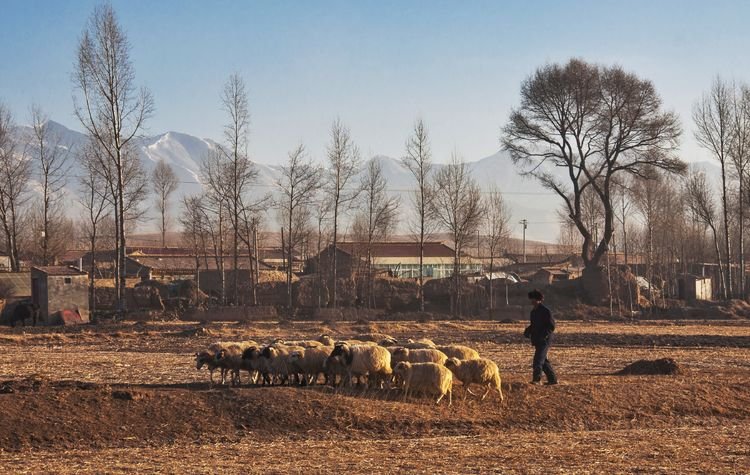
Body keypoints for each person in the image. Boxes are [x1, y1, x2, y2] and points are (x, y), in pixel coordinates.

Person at [524, 289, 558, 385]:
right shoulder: (533, 312)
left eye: (534, 299)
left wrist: (544, 336)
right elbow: (534, 325)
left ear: (539, 299)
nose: (532, 301)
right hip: (537, 339)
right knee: (543, 361)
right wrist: (528, 331)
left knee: (538, 360)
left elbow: (551, 326)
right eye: (531, 299)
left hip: (544, 340)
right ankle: (553, 380)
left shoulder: (546, 311)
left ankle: (537, 380)